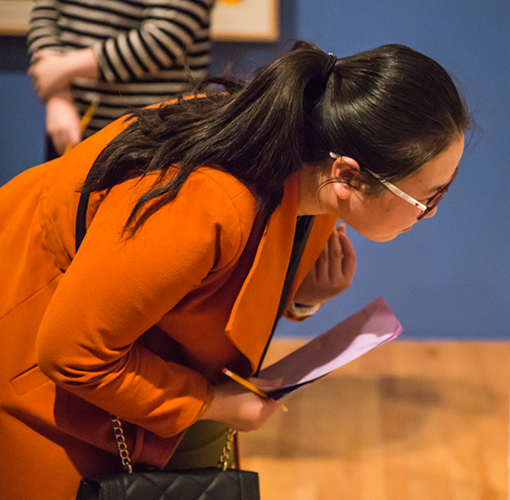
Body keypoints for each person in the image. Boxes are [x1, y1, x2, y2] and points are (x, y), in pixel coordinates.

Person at [0, 41, 469, 499]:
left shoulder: (313, 163)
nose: (429, 214)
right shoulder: (207, 203)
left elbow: (207, 298)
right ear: (348, 176)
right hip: (34, 358)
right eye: (426, 198)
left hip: (142, 372)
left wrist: (304, 296)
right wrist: (213, 403)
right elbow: (72, 352)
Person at [27, 0, 214, 158]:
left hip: (154, 136)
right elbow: (44, 11)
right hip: (68, 123)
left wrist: (63, 70)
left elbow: (165, 36)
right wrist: (58, 95)